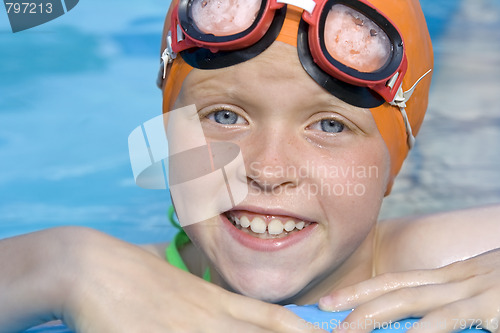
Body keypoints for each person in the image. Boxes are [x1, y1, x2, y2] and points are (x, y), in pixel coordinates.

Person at [1, 0, 499, 332]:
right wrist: (64, 262)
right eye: (225, 116)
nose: (267, 169)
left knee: (470, 115)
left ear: (393, 164)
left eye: (329, 125)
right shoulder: (108, 272)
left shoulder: (449, 261)